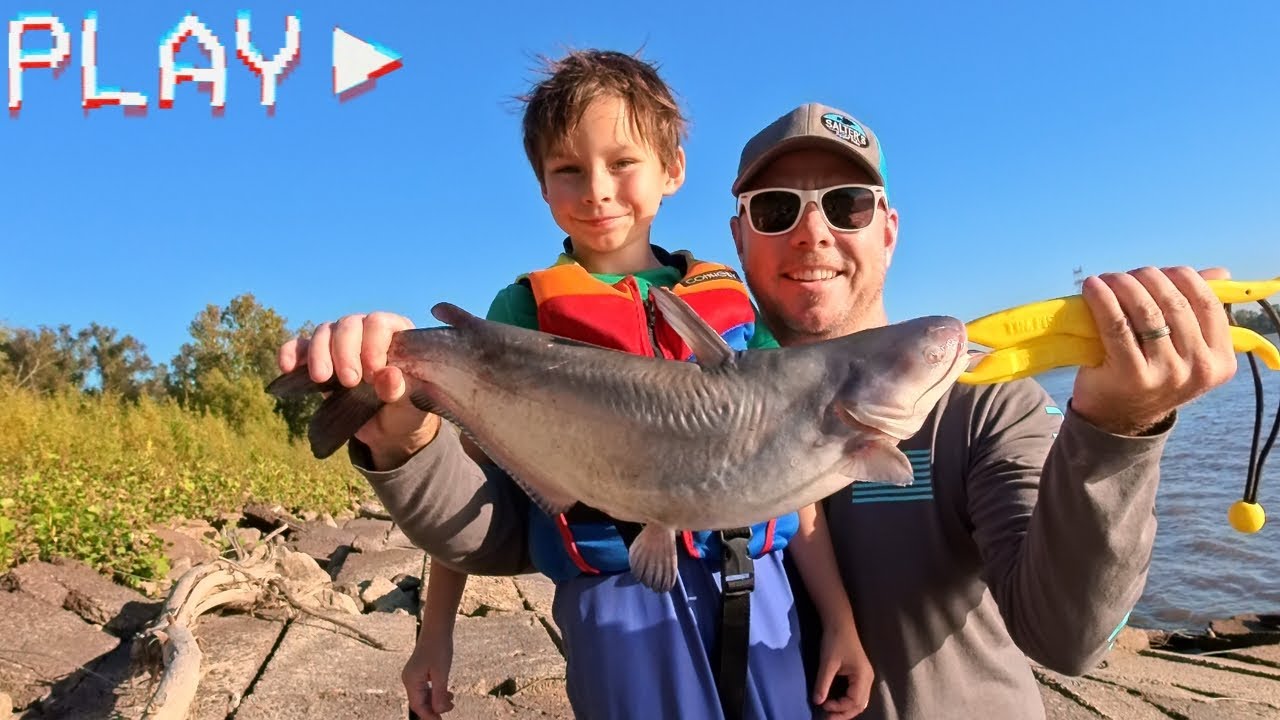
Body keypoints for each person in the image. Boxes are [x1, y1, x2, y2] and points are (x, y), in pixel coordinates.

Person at [279, 99, 1237, 719]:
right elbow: (493, 529)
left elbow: (1066, 636)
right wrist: (402, 436)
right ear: (738, 234)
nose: (813, 231)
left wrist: (1115, 429)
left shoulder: (989, 413)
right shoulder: (636, 356)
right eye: (778, 210)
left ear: (890, 227)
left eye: (849, 205)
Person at [279, 56, 872, 720]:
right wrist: (435, 634)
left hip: (756, 586)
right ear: (541, 186)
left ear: (672, 169)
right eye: (568, 170)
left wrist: (840, 622)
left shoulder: (729, 304)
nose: (596, 189)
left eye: (622, 162)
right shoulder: (522, 312)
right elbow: (480, 471)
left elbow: (801, 484)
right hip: (609, 597)